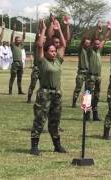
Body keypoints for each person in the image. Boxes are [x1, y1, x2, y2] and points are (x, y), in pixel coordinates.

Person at [30, 19, 67, 156]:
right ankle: (34, 146)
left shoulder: (58, 60)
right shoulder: (42, 61)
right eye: (51, 51)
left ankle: (57, 146)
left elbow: (63, 44)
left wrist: (59, 30)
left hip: (56, 94)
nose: (53, 52)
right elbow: (40, 45)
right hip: (44, 94)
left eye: (54, 51)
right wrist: (44, 29)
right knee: (40, 120)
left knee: (55, 121)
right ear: (45, 52)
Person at [84, 20, 111, 121]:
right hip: (90, 76)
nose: (97, 45)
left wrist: (108, 30)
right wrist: (98, 29)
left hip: (98, 76)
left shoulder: (99, 50)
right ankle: (86, 115)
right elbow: (94, 38)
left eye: (98, 44)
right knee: (87, 95)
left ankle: (95, 114)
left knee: (96, 95)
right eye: (96, 44)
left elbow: (104, 39)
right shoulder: (90, 50)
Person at [71, 37, 91, 107]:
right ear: (83, 43)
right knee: (78, 88)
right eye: (87, 43)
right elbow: (81, 44)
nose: (88, 44)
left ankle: (86, 104)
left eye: (89, 43)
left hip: (88, 72)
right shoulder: (81, 50)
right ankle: (74, 103)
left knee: (88, 89)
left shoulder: (89, 51)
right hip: (81, 72)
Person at [9, 24, 26, 95]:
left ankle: (20, 90)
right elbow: (11, 37)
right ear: (15, 41)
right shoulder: (13, 45)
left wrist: (24, 31)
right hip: (15, 63)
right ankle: (10, 91)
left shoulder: (20, 46)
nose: (19, 41)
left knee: (20, 77)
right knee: (12, 77)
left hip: (20, 63)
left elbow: (24, 38)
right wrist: (14, 30)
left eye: (19, 40)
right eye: (18, 40)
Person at [27, 33, 40, 103]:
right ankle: (29, 99)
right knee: (32, 85)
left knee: (43, 86)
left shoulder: (45, 47)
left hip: (43, 68)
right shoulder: (36, 46)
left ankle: (40, 99)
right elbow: (37, 41)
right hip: (36, 68)